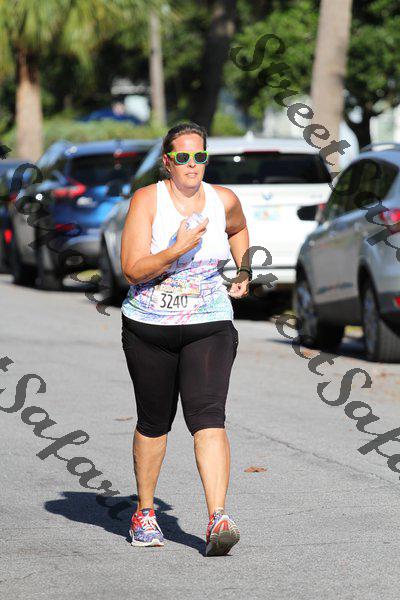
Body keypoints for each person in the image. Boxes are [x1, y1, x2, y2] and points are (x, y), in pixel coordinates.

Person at [120, 122, 251, 556]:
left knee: (209, 417)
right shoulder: (148, 200)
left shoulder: (223, 199)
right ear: (167, 161)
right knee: (155, 422)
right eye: (182, 157)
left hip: (209, 325)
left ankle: (218, 517)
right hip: (149, 329)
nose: (192, 165)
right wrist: (177, 247)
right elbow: (132, 269)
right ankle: (145, 513)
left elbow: (238, 230)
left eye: (199, 156)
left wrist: (244, 270)